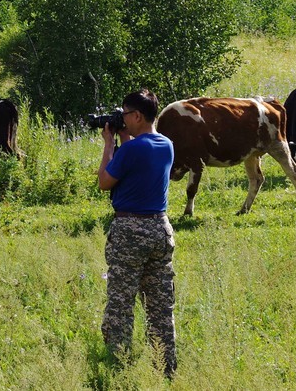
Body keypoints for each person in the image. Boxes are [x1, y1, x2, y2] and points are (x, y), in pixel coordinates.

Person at [96, 88, 176, 377]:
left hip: (130, 230)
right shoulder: (166, 144)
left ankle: (119, 366)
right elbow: (138, 158)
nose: (123, 118)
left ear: (138, 115)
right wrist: (124, 136)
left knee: (121, 302)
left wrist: (109, 144)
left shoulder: (129, 149)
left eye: (126, 114)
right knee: (160, 306)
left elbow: (105, 182)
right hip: (160, 228)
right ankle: (165, 369)